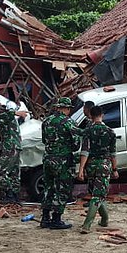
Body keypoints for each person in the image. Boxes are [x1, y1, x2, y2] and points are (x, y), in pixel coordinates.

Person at [41, 97, 81, 229]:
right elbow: (76, 145)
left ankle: (45, 217)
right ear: (67, 109)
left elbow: (44, 140)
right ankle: (56, 219)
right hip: (62, 161)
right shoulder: (69, 123)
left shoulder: (46, 121)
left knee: (49, 188)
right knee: (62, 189)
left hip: (48, 159)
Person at [76, 105, 118, 233]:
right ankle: (86, 225)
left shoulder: (87, 130)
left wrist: (81, 169)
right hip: (104, 165)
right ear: (102, 115)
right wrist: (115, 169)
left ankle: (104, 219)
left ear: (90, 115)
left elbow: (85, 151)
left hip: (91, 165)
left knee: (97, 194)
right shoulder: (110, 131)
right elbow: (113, 153)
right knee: (98, 195)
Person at [0, 102, 24, 203]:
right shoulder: (4, 120)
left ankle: (9, 195)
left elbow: (9, 113)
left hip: (11, 147)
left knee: (1, 173)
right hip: (14, 147)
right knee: (14, 173)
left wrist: (16, 112)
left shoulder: (8, 116)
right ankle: (15, 197)